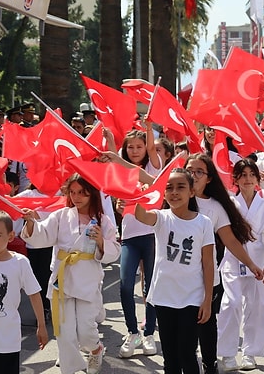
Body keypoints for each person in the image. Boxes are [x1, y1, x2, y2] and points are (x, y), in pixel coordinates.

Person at [21, 174, 121, 374]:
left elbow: (115, 250)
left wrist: (101, 241)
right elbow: (42, 236)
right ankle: (69, 367)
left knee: (86, 331)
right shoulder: (61, 215)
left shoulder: (103, 221)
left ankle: (96, 348)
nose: (76, 197)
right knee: (64, 333)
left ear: (91, 194)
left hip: (88, 279)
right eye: (73, 192)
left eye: (82, 193)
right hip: (63, 278)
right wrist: (31, 223)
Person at [184, 153, 263, 374]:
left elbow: (230, 239)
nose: (193, 175)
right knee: (183, 330)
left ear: (209, 178)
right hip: (176, 277)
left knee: (205, 323)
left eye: (199, 171)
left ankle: (210, 364)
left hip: (205, 277)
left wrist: (251, 264)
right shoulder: (175, 197)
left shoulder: (216, 207)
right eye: (189, 170)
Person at [134, 168, 215, 374]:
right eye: (169, 188)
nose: (174, 192)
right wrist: (134, 197)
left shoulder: (203, 223)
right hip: (164, 296)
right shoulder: (161, 218)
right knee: (170, 356)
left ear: (192, 192)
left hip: (191, 298)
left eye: (181, 187)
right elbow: (142, 215)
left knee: (187, 353)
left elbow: (207, 263)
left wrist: (207, 301)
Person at [217, 158, 264, 372]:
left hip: (259, 261)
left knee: (257, 307)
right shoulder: (228, 205)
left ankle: (250, 352)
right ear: (235, 178)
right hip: (233, 260)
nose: (247, 179)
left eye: (251, 174)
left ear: (257, 178)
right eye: (242, 175)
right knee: (231, 303)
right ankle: (227, 353)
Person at [0, 211, 48, 374]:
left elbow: (34, 294)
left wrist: (41, 326)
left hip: (7, 341)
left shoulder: (20, 263)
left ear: (11, 236)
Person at [112, 125, 163, 359]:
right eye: (130, 147)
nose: (134, 150)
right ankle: (132, 332)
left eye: (139, 146)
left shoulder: (154, 165)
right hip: (130, 237)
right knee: (125, 286)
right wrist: (118, 206)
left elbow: (149, 170)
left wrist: (149, 126)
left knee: (151, 286)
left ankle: (149, 333)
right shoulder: (120, 170)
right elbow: (118, 199)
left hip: (152, 235)